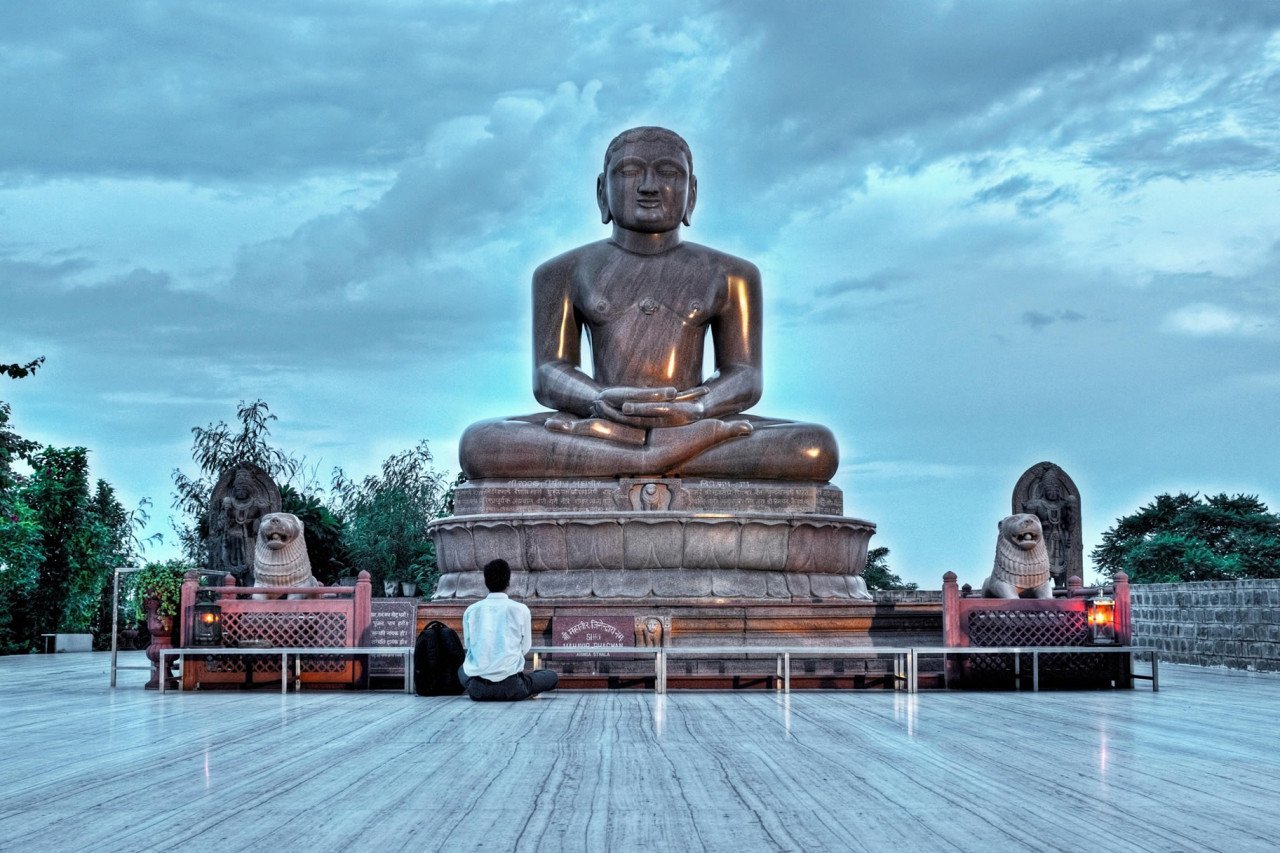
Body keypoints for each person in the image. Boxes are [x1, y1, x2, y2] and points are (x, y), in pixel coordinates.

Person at [457, 126, 838, 481]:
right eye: (630, 172)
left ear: (691, 193)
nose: (649, 187)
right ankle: (649, 458)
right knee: (481, 443)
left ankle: (643, 454)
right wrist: (597, 400)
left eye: (669, 172)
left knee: (814, 447)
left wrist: (697, 408)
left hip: (686, 421)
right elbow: (550, 373)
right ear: (601, 191)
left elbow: (745, 376)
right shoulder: (563, 272)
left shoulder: (731, 274)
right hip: (601, 423)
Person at [459, 559, 558, 701]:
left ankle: (482, 688)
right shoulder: (520, 609)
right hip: (512, 688)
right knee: (551, 676)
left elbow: (469, 647)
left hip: (478, 690)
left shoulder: (471, 610)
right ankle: (525, 688)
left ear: (486, 582)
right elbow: (525, 648)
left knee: (461, 670)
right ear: (508, 582)